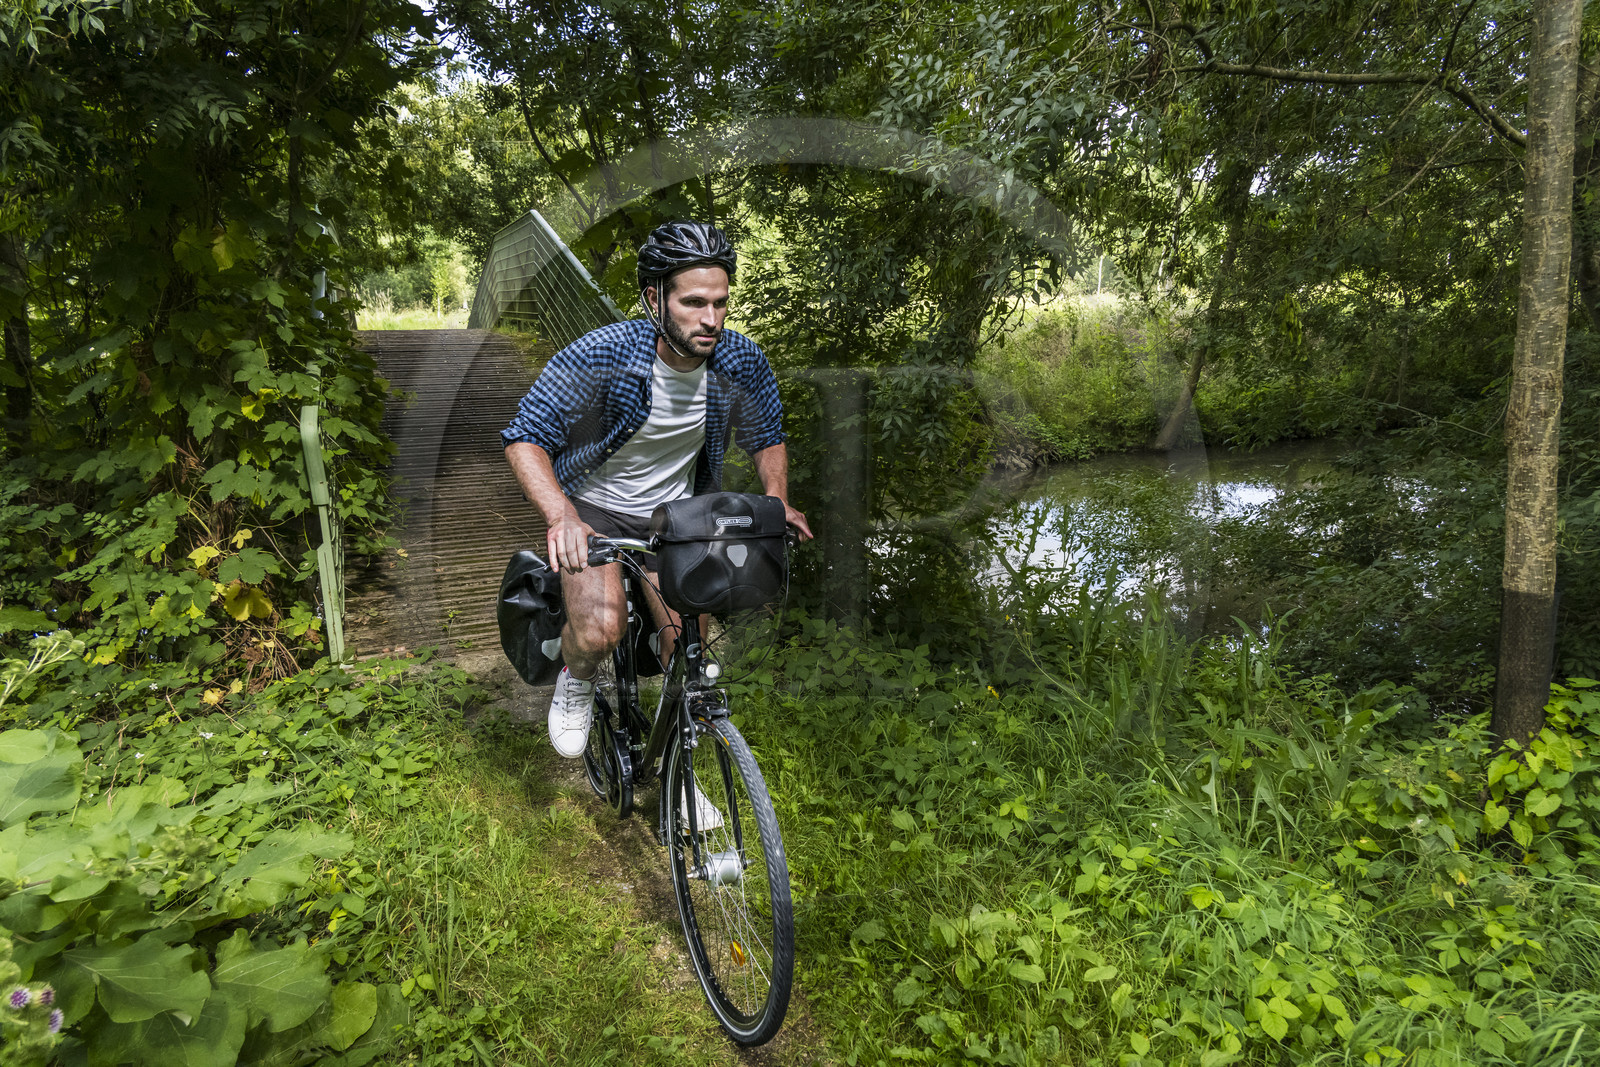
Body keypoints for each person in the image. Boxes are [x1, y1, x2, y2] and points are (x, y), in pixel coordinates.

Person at [502, 220, 812, 758]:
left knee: (690, 658)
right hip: (595, 509)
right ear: (655, 298)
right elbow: (525, 437)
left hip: (677, 515)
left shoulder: (740, 360)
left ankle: (680, 783)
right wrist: (561, 516)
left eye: (720, 302)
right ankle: (575, 678)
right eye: (694, 303)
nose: (710, 318)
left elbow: (767, 436)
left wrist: (776, 496)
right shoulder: (602, 354)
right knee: (598, 631)